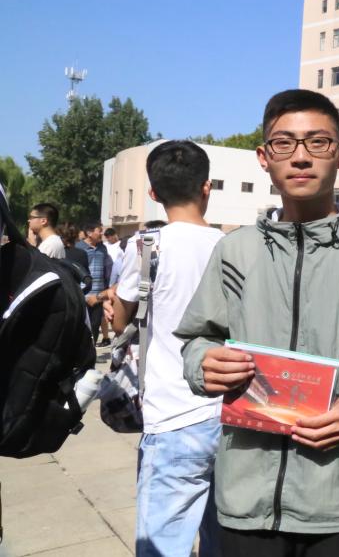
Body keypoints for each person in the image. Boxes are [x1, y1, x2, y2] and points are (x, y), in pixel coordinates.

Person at [175, 90, 339, 557]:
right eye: (284, 143)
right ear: (263, 157)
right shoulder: (235, 250)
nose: (301, 157)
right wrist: (203, 362)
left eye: (318, 142)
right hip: (245, 490)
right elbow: (198, 336)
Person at [106, 141, 224, 557]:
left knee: (163, 546)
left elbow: (120, 321)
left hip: (172, 414)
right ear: (207, 187)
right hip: (229, 414)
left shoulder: (146, 246)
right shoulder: (232, 246)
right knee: (223, 540)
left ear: (153, 193)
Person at [79, 221, 113, 346]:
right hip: (82, 294)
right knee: (82, 324)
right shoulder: (78, 248)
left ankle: (91, 349)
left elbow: (107, 269)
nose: (102, 234)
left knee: (95, 324)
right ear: (89, 233)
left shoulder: (102, 248)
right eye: (99, 231)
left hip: (99, 295)